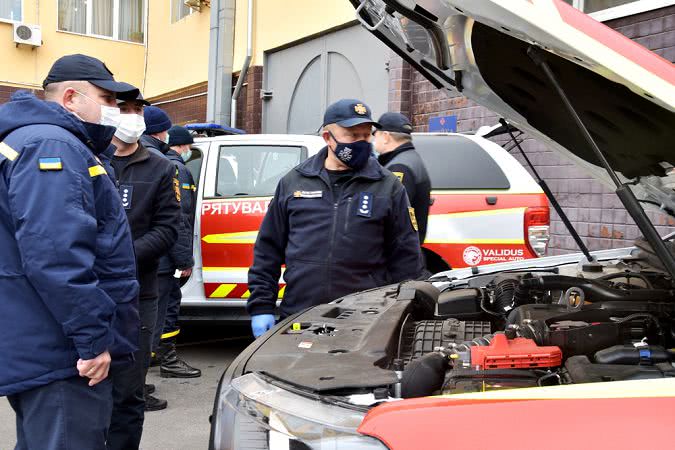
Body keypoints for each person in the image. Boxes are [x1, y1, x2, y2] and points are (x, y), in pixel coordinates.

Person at [0, 54, 140, 450]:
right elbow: (55, 255)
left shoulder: (36, 140)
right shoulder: (52, 145)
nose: (115, 110)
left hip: (44, 340)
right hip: (63, 352)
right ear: (72, 98)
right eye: (108, 99)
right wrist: (92, 340)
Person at [247, 99, 423, 337]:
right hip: (301, 314)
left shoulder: (388, 186)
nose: (362, 142)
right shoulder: (294, 182)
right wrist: (261, 306)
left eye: (366, 135)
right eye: (352, 135)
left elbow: (406, 258)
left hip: (364, 319)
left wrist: (401, 312)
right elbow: (268, 250)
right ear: (328, 137)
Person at [107, 89, 180, 448]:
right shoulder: (89, 158)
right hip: (90, 291)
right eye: (124, 109)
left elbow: (168, 229)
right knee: (87, 392)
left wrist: (121, 257)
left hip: (139, 292)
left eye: (138, 109)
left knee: (128, 392)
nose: (132, 116)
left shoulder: (161, 168)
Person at [151, 125, 201, 379]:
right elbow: (179, 218)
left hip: (150, 252)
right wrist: (184, 259)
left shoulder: (147, 160)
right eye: (189, 146)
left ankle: (149, 354)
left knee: (150, 308)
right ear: (181, 145)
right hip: (165, 255)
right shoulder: (176, 168)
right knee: (167, 305)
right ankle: (166, 358)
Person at [373, 112, 431, 245]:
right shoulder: (410, 158)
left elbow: (391, 214)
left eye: (375, 134)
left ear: (386, 136)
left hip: (399, 250)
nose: (373, 140)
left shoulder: (399, 167)